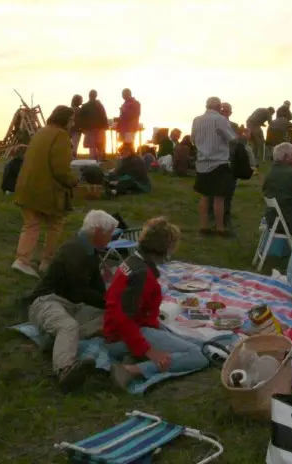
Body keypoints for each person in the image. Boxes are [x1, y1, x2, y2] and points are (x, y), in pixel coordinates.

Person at [104, 218, 210, 390]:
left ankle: (134, 359)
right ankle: (132, 370)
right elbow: (122, 317)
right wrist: (147, 350)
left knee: (203, 346)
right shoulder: (141, 275)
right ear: (166, 247)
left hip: (137, 328)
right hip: (124, 336)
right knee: (199, 356)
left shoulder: (134, 262)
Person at [25, 211, 119, 390]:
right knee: (68, 326)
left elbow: (97, 290)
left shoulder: (90, 252)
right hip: (47, 301)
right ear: (97, 231)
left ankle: (54, 339)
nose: (111, 238)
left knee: (112, 316)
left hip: (73, 304)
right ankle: (65, 369)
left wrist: (114, 303)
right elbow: (81, 291)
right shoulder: (73, 250)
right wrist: (110, 302)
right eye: (110, 233)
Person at [13, 105, 78, 277]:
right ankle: (46, 262)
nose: (73, 123)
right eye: (71, 120)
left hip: (26, 187)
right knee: (55, 223)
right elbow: (60, 169)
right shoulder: (61, 136)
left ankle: (22, 260)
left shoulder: (41, 132)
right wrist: (74, 181)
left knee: (31, 224)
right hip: (47, 190)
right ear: (65, 119)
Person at [191, 97, 236, 235]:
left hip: (202, 162)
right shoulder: (220, 120)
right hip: (218, 162)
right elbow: (231, 138)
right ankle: (220, 228)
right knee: (219, 197)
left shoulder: (196, 120)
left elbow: (193, 139)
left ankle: (203, 226)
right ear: (218, 106)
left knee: (204, 196)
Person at [77, 90, 109, 161]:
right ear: (96, 96)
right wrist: (106, 125)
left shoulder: (85, 106)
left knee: (92, 147)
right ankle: (100, 160)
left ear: (89, 96)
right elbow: (104, 115)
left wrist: (82, 128)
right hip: (100, 128)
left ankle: (93, 160)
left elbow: (81, 118)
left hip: (89, 129)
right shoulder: (99, 105)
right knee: (100, 145)